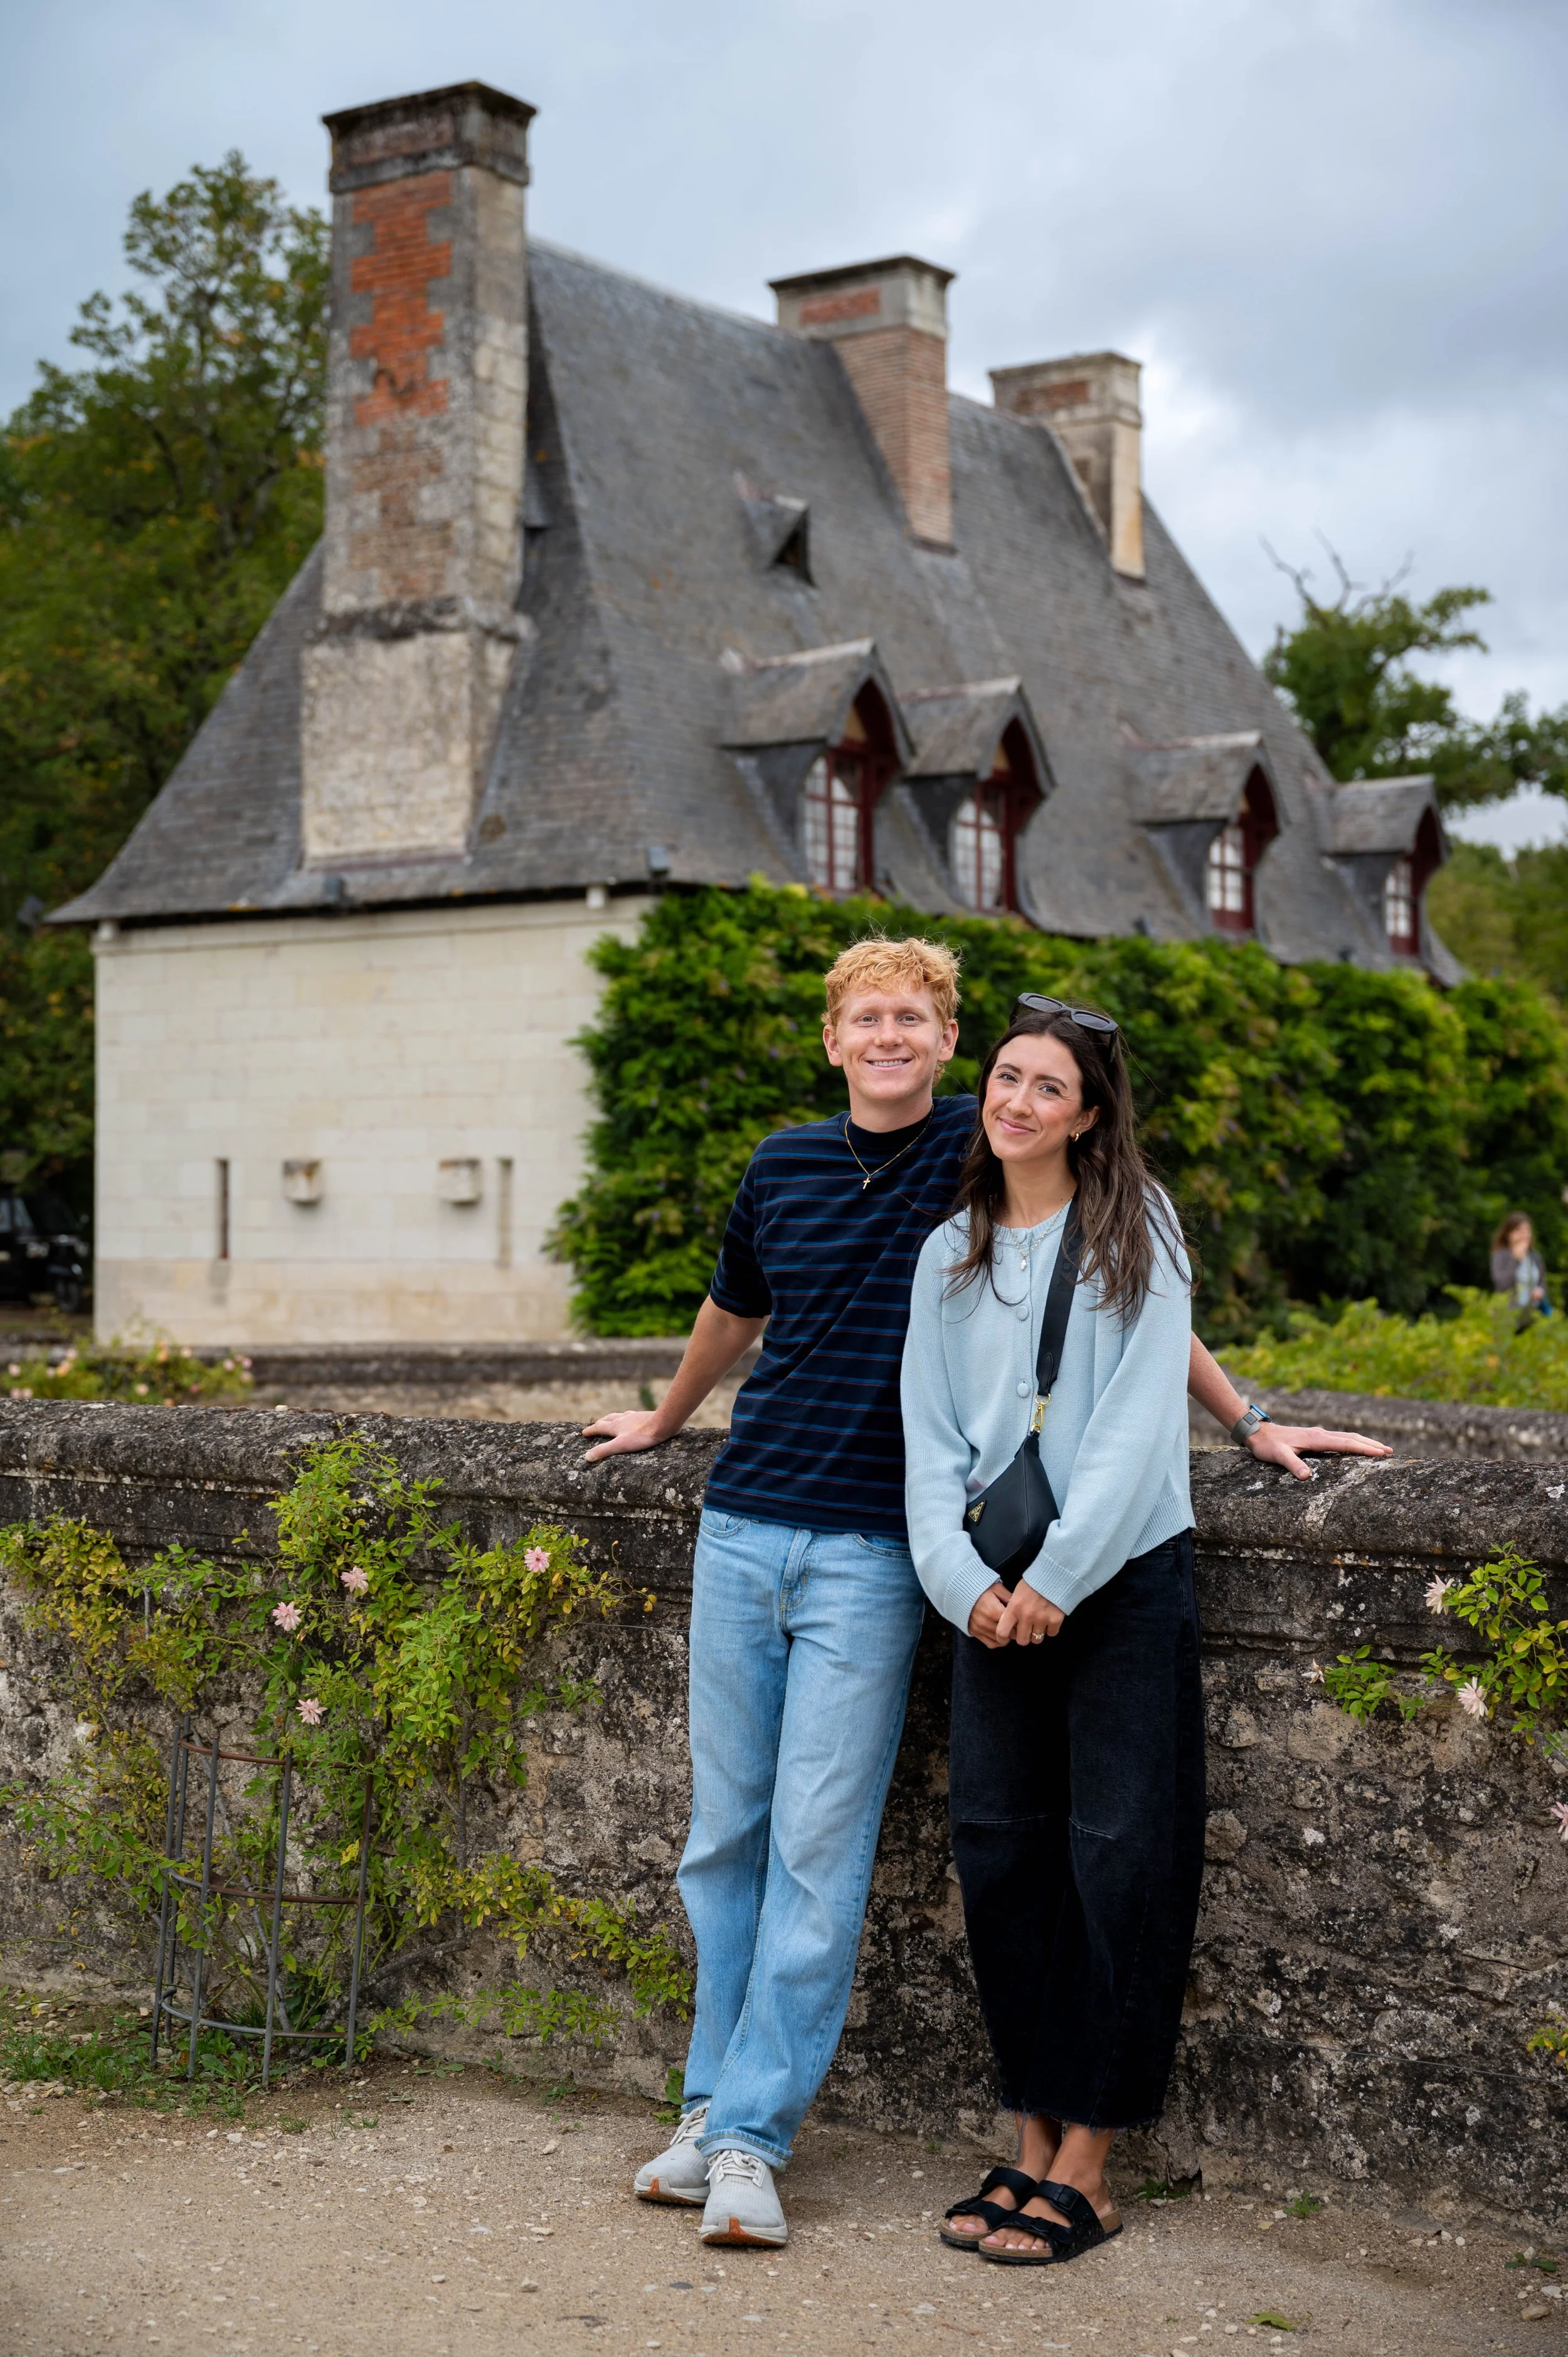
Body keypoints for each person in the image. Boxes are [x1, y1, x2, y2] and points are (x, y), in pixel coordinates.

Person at [583, 939, 1389, 2252]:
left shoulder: (1050, 1175)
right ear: (831, 1037)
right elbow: (777, 1337)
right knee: (847, 1848)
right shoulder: (859, 1192)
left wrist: (1247, 1422)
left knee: (991, 1854)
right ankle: (764, 2112)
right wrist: (672, 1422)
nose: (1012, 1096)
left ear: (967, 1054)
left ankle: (855, 2142)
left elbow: (1132, 1349)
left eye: (920, 1021)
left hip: (989, 1563)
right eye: (867, 1017)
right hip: (837, 1544)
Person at [901, 999, 1202, 2267]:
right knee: (1001, 1857)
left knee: (1118, 1860)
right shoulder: (948, 1253)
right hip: (986, 1590)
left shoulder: (1136, 1231)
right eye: (1005, 1076)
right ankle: (1028, 2137)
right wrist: (953, 1577)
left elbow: (1138, 1428)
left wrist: (1061, 1578)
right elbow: (924, 1440)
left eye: (1046, 1087)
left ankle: (1089, 2156)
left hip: (1116, 1581)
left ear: (1086, 1115)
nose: (1016, 1099)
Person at [1491, 1211, 1550, 1327]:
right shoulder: (1500, 1255)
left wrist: (1540, 1291)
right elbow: (1502, 1284)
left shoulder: (1534, 1256)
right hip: (1508, 1315)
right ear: (1509, 1234)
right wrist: (1516, 1260)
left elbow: (1542, 1281)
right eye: (1519, 1230)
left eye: (1527, 1230)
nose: (1524, 1234)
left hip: (1532, 1314)